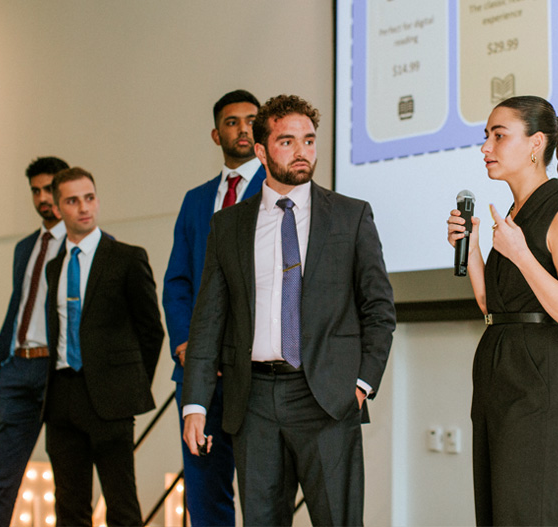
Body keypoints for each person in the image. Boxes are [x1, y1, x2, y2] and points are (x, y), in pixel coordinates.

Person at [181, 94, 396, 526]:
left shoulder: (350, 217)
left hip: (328, 398)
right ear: (260, 150)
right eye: (287, 141)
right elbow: (208, 320)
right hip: (254, 399)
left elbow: (379, 308)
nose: (302, 152)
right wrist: (195, 405)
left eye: (310, 140)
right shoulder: (228, 226)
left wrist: (360, 384)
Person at [447, 95, 558, 525]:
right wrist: (473, 250)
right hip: (497, 371)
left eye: (499, 135)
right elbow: (494, 307)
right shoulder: (513, 215)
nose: (485, 148)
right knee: (495, 516)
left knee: (526, 517)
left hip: (535, 383)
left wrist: (520, 253)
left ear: (536, 144)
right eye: (485, 136)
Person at [163, 89, 265, 526]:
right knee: (205, 498)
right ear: (215, 133)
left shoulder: (279, 190)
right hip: (200, 372)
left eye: (250, 120)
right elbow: (178, 281)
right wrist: (187, 344)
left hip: (256, 371)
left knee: (263, 492)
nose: (242, 128)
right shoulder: (195, 200)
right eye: (231, 121)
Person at [42, 167, 164, 527]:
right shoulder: (54, 267)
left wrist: (130, 385)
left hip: (111, 400)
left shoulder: (127, 257)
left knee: (122, 504)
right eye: (73, 200)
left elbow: (151, 331)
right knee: (68, 505)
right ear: (58, 208)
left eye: (89, 197)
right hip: (62, 396)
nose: (84, 207)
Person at [0, 156, 69, 527]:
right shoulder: (25, 248)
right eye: (35, 191)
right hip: (17, 367)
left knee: (68, 479)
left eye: (49, 189)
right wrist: (3, 360)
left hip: (60, 371)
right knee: (1, 480)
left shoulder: (85, 245)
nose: (42, 198)